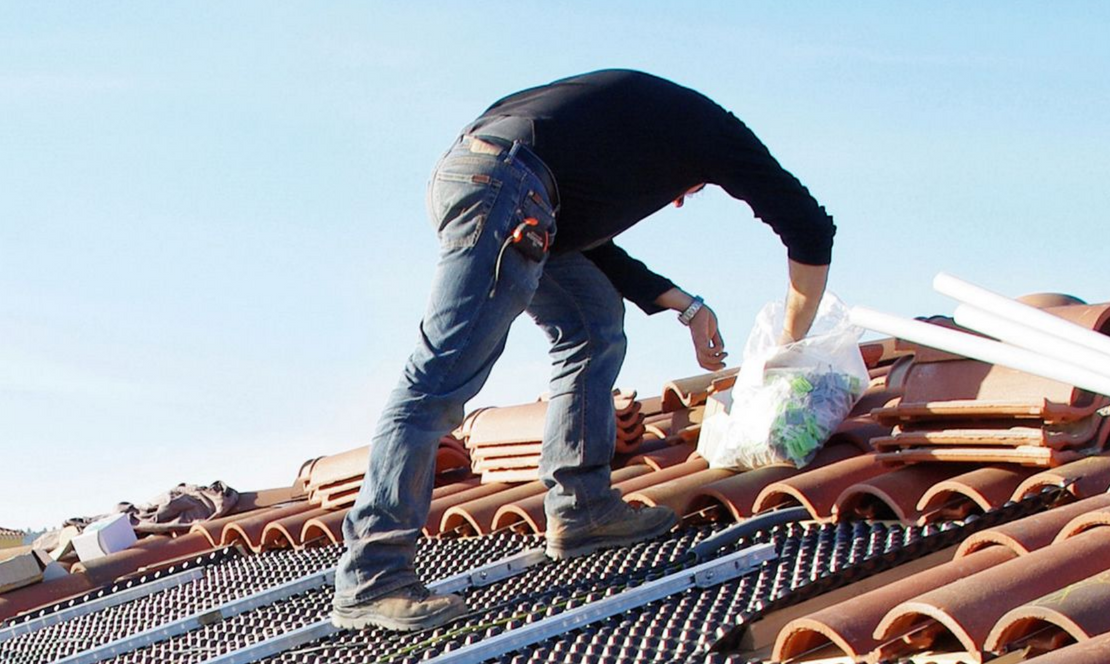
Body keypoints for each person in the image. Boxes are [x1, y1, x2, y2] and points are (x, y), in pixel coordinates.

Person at [331, 69, 835, 631]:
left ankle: (582, 509)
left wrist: (686, 306)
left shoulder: (619, 132)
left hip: (490, 174)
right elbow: (809, 226)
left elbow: (577, 241)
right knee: (441, 373)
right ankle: (373, 572)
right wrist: (788, 347)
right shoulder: (711, 132)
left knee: (593, 322)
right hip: (502, 183)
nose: (678, 202)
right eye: (689, 192)